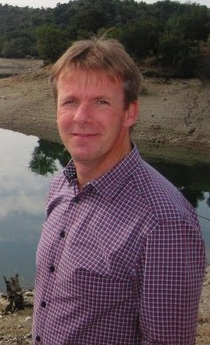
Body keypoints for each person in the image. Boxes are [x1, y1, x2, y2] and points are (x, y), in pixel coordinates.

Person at [32, 37, 206, 344]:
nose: (81, 117)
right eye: (70, 101)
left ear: (130, 112)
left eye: (101, 102)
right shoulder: (62, 185)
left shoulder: (164, 222)